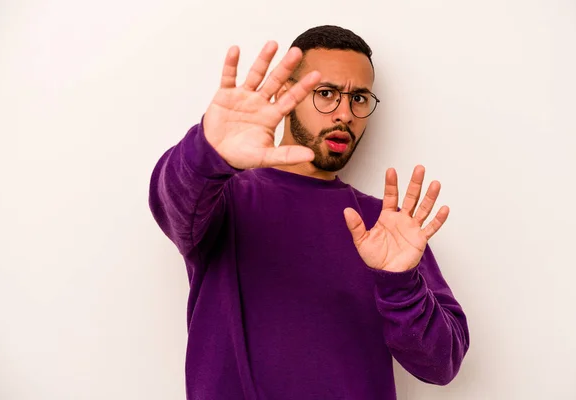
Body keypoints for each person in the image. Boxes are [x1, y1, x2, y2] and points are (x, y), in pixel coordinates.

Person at [149, 25, 469, 400]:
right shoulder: (224, 196)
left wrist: (400, 284)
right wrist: (207, 149)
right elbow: (170, 198)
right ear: (287, 94)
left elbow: (442, 365)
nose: (345, 114)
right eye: (326, 94)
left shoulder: (386, 228)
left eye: (360, 99)